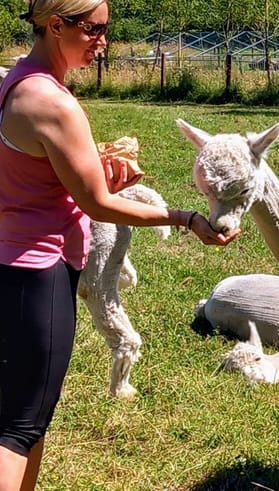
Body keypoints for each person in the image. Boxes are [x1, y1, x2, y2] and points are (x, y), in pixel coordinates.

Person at [0, 1, 238, 489]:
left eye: (107, 29)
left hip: (8, 260)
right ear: (55, 24)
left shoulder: (16, 82)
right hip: (38, 272)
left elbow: (34, 173)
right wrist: (185, 217)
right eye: (94, 29)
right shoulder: (55, 103)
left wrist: (92, 170)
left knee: (22, 415)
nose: (103, 40)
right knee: (18, 429)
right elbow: (100, 206)